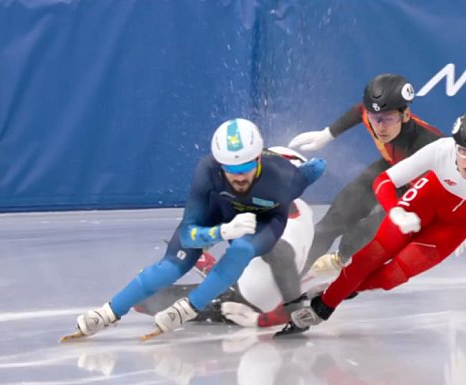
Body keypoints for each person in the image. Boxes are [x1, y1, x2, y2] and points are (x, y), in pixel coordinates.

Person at [279, 111, 466, 335]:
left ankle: (340, 287)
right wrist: (394, 211)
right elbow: (383, 181)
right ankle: (321, 310)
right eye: (462, 151)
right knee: (368, 257)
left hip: (455, 227)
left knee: (391, 277)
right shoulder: (441, 151)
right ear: (454, 145)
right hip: (425, 203)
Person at [66, 118, 326, 340]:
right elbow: (190, 233)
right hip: (220, 213)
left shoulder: (285, 180)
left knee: (242, 250)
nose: (239, 177)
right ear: (219, 164)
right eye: (230, 169)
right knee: (170, 266)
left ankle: (190, 307)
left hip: (262, 221)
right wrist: (219, 233)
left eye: (246, 167)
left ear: (259, 159)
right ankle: (108, 312)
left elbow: (314, 170)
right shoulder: (207, 171)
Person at [133, 147, 327, 328]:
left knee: (144, 300)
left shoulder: (258, 209)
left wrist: (282, 313)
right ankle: (212, 269)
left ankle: (209, 272)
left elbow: (282, 254)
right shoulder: (304, 210)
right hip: (258, 284)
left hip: (246, 299)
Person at [287, 73, 443, 277]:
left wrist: (449, 220)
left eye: (388, 118)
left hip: (417, 191)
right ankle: (289, 281)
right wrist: (327, 134)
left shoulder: (432, 145)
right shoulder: (371, 116)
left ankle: (343, 260)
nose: (380, 127)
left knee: (362, 235)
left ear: (406, 115)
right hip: (389, 168)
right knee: (330, 224)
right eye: (375, 118)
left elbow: (458, 178)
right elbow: (359, 111)